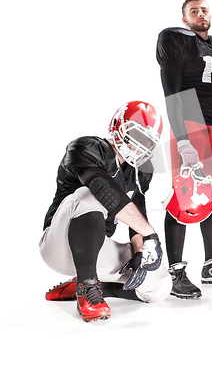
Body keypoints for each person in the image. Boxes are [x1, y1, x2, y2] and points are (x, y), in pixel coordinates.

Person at [41, 101, 170, 322]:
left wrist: (140, 249)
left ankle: (91, 284)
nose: (139, 146)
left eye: (146, 141)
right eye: (136, 136)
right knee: (88, 194)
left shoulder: (140, 171)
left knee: (160, 287)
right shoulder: (89, 148)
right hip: (59, 245)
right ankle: (87, 289)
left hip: (96, 249)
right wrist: (150, 234)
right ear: (118, 125)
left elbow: (138, 217)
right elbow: (101, 187)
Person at [156, 0, 212, 299]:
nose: (200, 13)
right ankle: (177, 273)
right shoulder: (176, 40)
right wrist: (182, 139)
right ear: (185, 20)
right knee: (185, 198)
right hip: (191, 122)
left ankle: (211, 265)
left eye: (204, 9)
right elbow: (173, 95)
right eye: (193, 11)